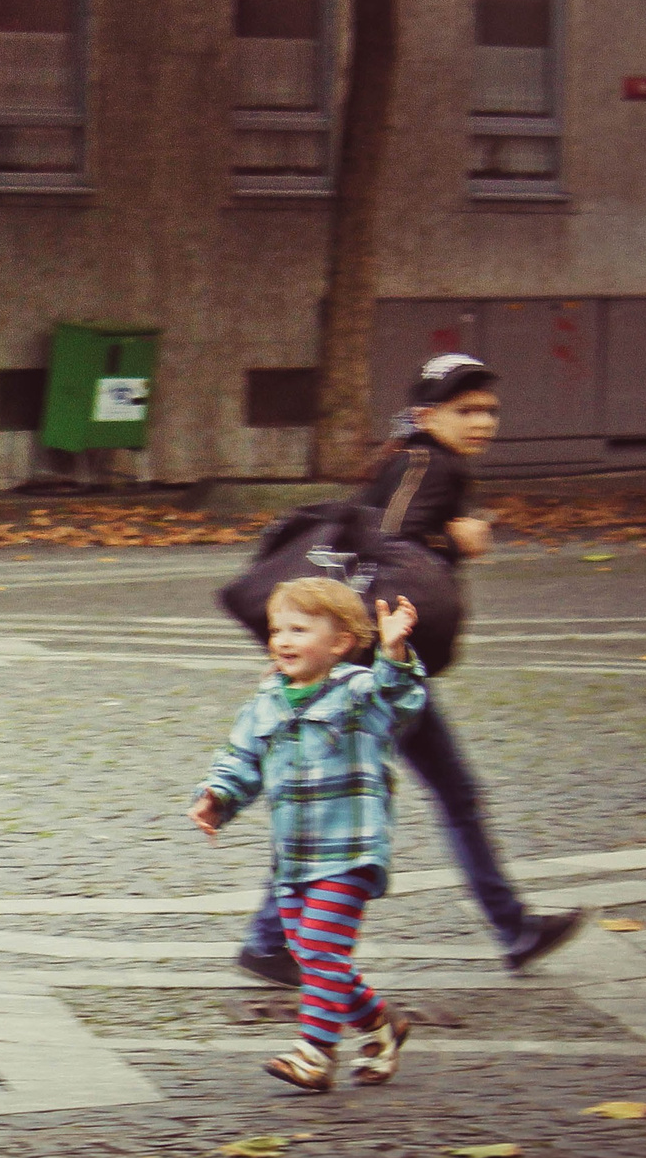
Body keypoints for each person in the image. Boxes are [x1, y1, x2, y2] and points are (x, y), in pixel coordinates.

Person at [234, 354, 584, 987]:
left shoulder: (426, 462)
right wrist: (458, 541)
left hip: (386, 665)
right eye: (466, 409)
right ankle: (269, 939)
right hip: (379, 669)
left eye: (489, 410)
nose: (482, 422)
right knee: (350, 799)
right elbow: (383, 550)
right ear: (427, 414)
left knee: (434, 793)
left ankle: (514, 928)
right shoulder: (424, 463)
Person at [194, 580, 427, 1092]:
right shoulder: (267, 699)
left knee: (320, 948)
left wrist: (393, 651)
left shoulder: (359, 693)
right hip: (294, 857)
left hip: (349, 852)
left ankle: (315, 1053)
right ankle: (380, 1023)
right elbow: (242, 757)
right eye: (278, 629)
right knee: (314, 955)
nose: (283, 640)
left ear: (341, 643)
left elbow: (402, 699)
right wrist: (217, 796)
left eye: (299, 630)